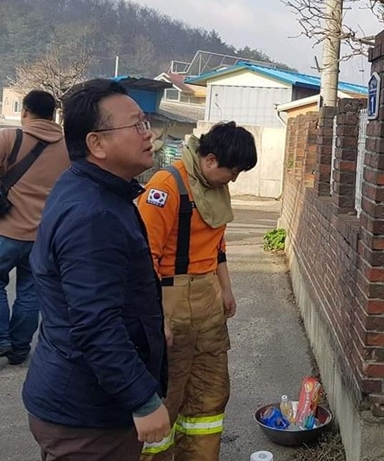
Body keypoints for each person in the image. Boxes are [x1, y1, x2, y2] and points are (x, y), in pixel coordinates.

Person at [22, 79, 171, 461]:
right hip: (86, 416)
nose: (147, 133)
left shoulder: (101, 192)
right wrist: (143, 399)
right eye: (136, 125)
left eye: (146, 122)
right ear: (97, 144)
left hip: (89, 400)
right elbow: (94, 323)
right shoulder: (93, 214)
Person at [137, 121, 257, 460]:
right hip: (171, 299)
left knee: (210, 392)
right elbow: (145, 258)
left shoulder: (215, 190)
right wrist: (155, 316)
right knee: (167, 393)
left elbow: (218, 246)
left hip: (207, 300)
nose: (233, 180)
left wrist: (226, 290)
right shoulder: (167, 187)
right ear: (210, 160)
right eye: (232, 172)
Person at [0, 90, 69, 369]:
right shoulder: (69, 148)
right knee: (31, 292)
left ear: (25, 111)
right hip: (44, 237)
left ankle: (2, 338)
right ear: (53, 114)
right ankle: (19, 348)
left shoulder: (10, 137)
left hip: (5, 230)